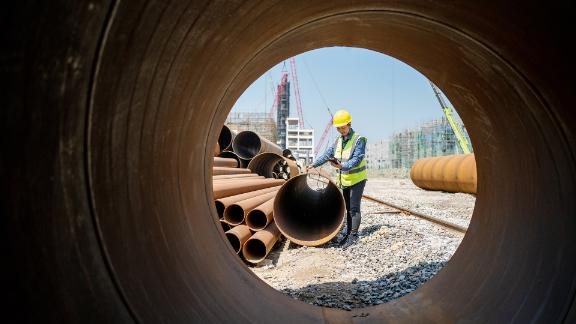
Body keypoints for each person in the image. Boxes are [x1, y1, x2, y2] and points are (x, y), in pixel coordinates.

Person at [306, 109, 367, 247]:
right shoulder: (338, 141)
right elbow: (326, 155)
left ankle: (354, 235)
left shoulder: (359, 140)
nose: (341, 130)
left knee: (354, 208)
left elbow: (356, 160)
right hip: (345, 180)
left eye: (343, 127)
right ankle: (348, 234)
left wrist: (342, 166)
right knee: (348, 208)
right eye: (338, 128)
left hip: (357, 180)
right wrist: (313, 164)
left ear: (349, 124)